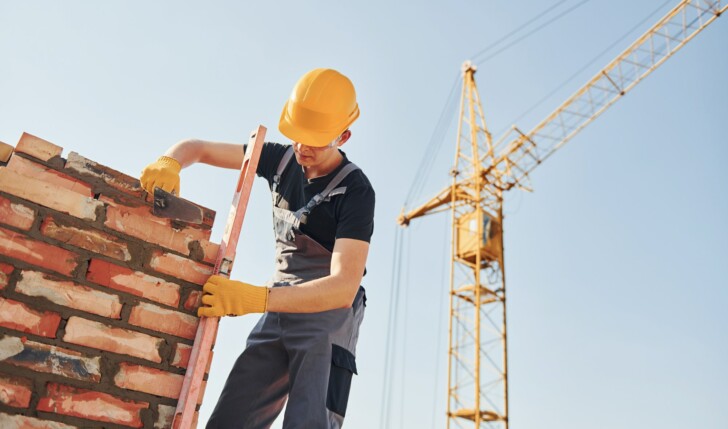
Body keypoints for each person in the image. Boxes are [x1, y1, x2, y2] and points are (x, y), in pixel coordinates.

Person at [139, 68, 374, 429]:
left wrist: (255, 299)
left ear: (343, 135)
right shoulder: (279, 160)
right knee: (232, 418)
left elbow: (343, 288)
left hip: (326, 320)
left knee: (308, 422)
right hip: (278, 305)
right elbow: (197, 148)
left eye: (315, 140)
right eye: (297, 135)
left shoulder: (355, 191)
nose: (302, 147)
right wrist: (170, 161)